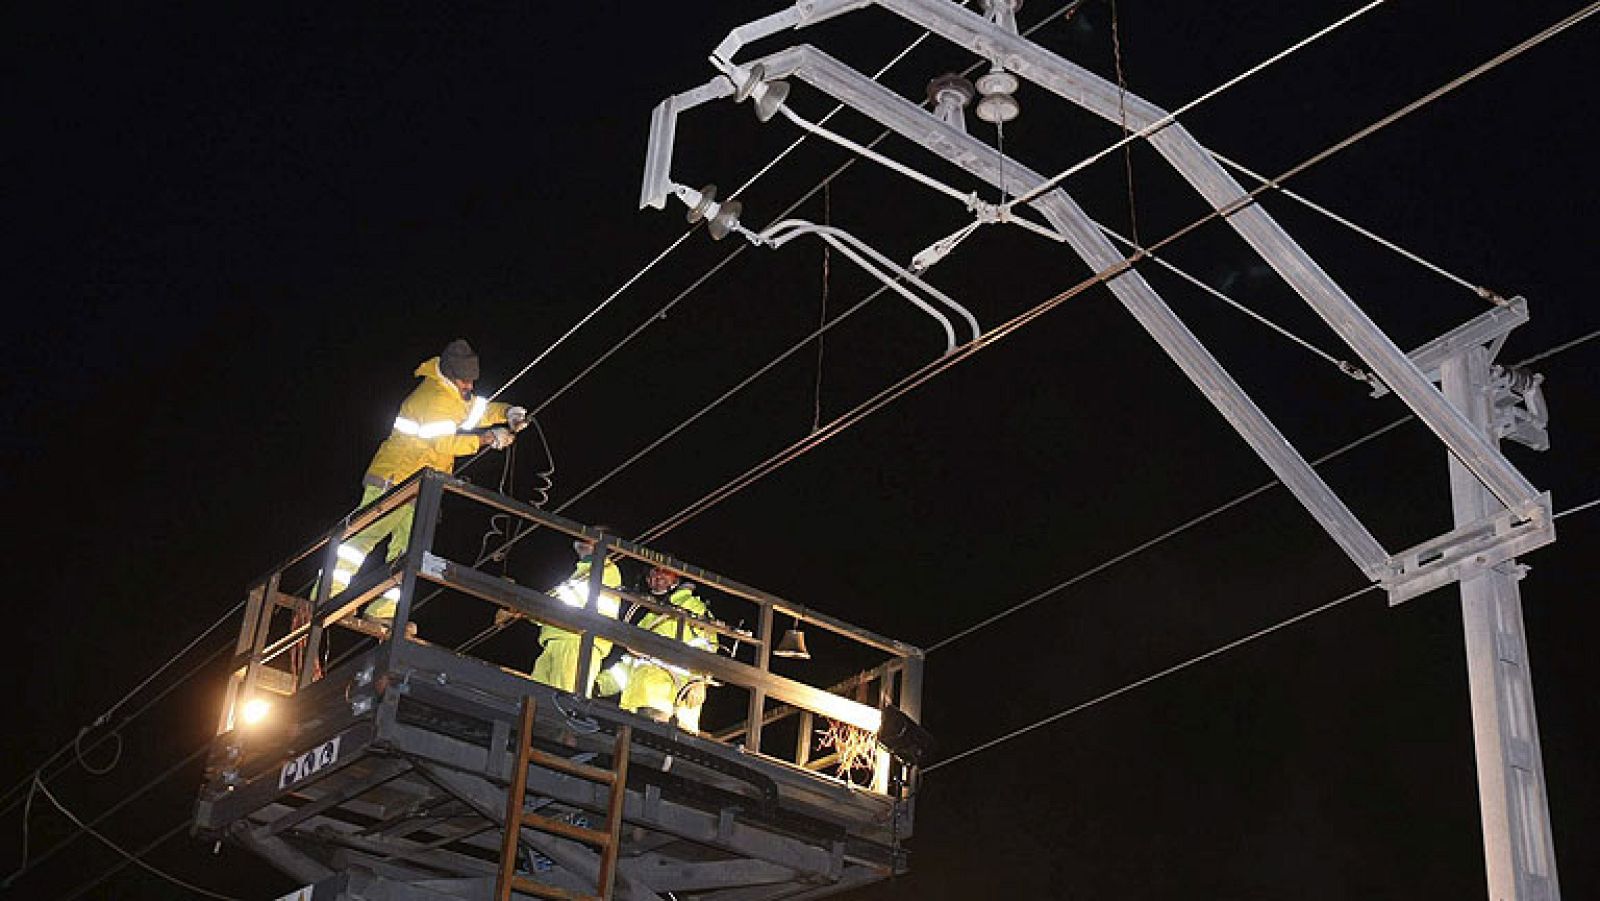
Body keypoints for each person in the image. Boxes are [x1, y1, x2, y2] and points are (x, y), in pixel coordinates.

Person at [331, 339, 527, 626]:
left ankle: (382, 613)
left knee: (407, 552)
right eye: (465, 381)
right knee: (362, 541)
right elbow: (443, 443)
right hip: (394, 479)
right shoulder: (432, 398)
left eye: (472, 381)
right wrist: (487, 439)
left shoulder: (453, 395)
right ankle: (328, 599)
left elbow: (478, 411)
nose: (469, 388)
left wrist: (508, 412)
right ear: (449, 375)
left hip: (420, 487)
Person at [619, 565, 718, 732]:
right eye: (653, 572)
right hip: (637, 707)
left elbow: (707, 646)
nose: (658, 576)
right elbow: (631, 663)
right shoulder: (649, 619)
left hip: (671, 706)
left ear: (676, 578)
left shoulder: (691, 606)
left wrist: (698, 681)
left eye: (664, 572)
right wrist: (601, 684)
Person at [529, 534, 624, 693]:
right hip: (557, 641)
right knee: (536, 701)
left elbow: (560, 603)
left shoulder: (606, 569)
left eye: (594, 537)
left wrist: (523, 608)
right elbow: (554, 603)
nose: (587, 538)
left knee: (563, 703)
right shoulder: (582, 573)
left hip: (577, 643)